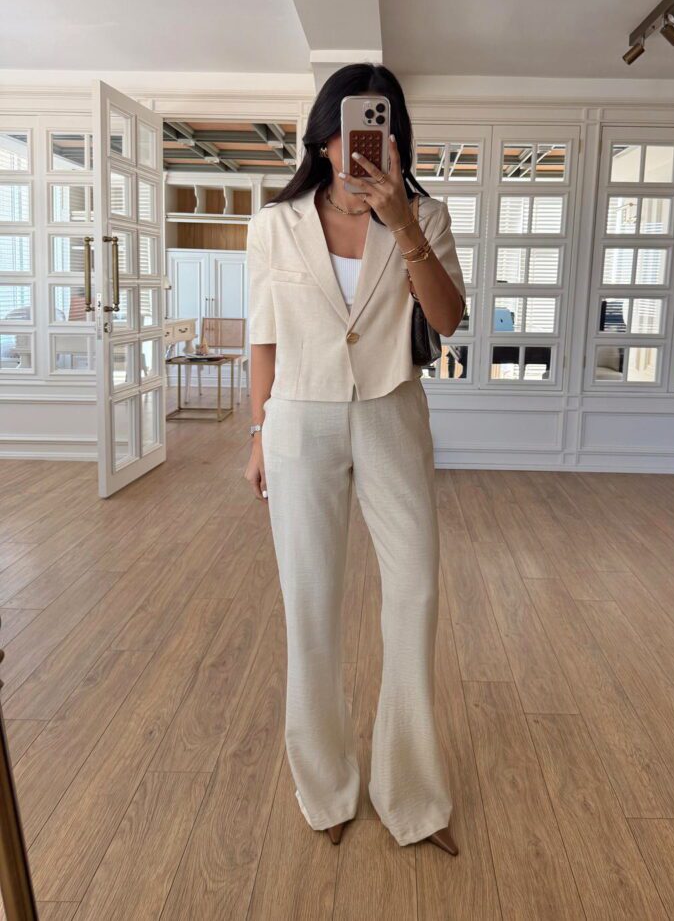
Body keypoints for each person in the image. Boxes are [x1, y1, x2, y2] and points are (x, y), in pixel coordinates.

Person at [244, 64, 466, 854]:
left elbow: (448, 320)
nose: (358, 143)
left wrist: (402, 224)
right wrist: (256, 433)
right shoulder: (275, 223)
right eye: (345, 127)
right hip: (299, 420)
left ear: (395, 137)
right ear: (322, 135)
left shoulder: (426, 215)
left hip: (391, 413)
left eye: (377, 126)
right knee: (310, 602)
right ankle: (326, 785)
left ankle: (412, 792)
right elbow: (263, 337)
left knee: (416, 592)